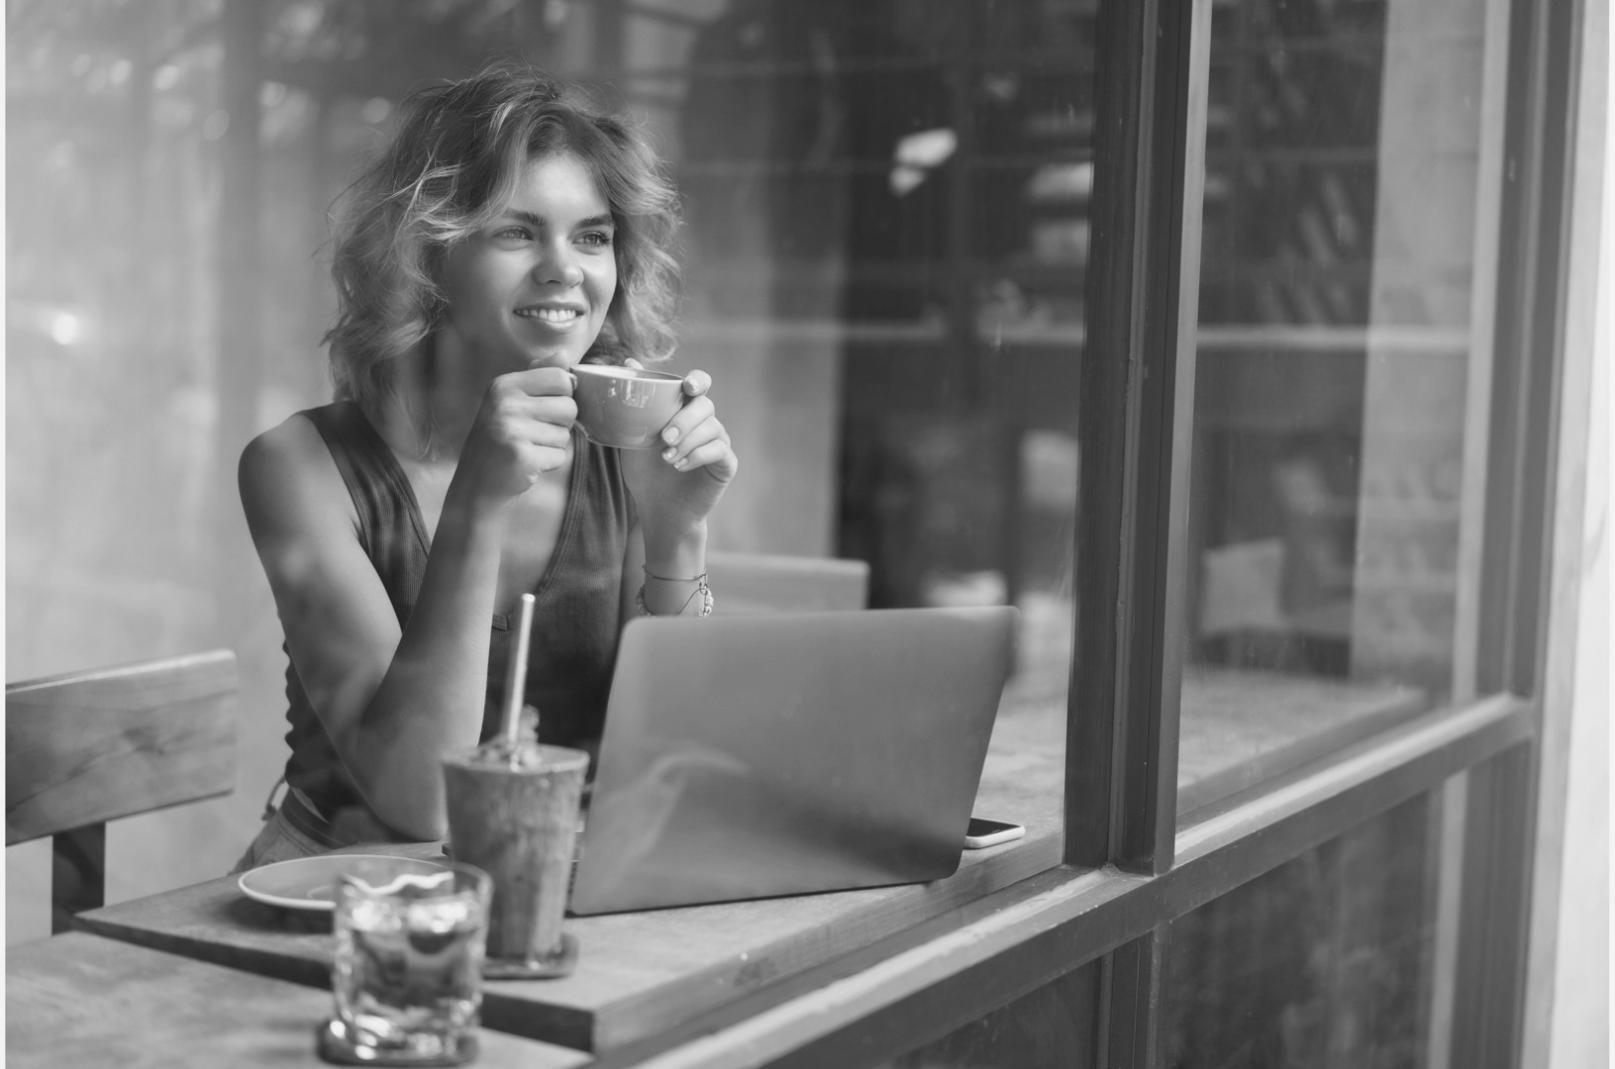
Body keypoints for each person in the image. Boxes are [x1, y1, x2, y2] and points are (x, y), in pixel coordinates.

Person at [232, 64, 738, 871]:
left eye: (593, 236)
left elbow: (675, 758)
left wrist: (679, 538)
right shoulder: (299, 468)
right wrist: (476, 503)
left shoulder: (626, 445)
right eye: (516, 231)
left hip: (558, 881)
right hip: (340, 895)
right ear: (428, 257)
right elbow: (418, 800)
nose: (565, 268)